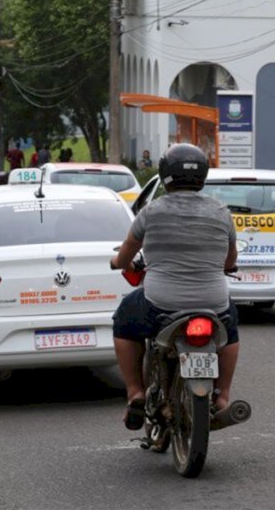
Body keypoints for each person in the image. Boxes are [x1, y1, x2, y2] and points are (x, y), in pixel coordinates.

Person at [109, 143, 240, 430]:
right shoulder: (221, 212)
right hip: (213, 303)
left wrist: (118, 261)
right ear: (202, 176)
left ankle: (135, 392)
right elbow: (230, 261)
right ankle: (223, 397)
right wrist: (225, 267)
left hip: (160, 304)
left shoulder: (151, 211)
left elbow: (126, 255)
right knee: (229, 333)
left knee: (123, 321)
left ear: (165, 175)